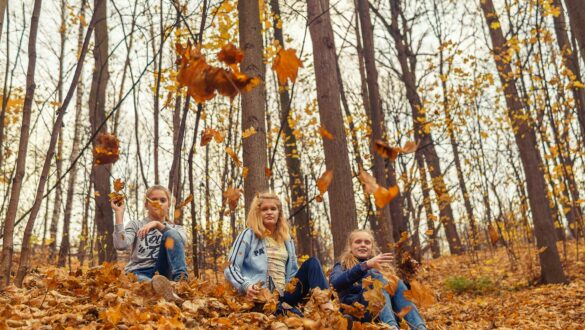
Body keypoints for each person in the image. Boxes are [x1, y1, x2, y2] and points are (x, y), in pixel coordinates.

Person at [224, 191, 331, 315]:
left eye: (273, 209)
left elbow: (292, 273)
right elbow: (230, 267)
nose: (269, 212)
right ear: (258, 213)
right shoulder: (248, 235)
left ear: (278, 213)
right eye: (264, 209)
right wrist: (246, 285)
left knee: (313, 263)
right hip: (263, 297)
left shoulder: (286, 239)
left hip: (286, 293)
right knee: (298, 320)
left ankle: (329, 311)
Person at [329, 229, 427, 330]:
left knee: (396, 281)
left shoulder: (381, 268)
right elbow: (334, 284)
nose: (363, 244)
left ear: (371, 247)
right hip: (359, 312)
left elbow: (396, 294)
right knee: (378, 280)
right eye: (358, 242)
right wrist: (365, 266)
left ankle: (420, 327)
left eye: (367, 242)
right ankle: (391, 327)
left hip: (384, 312)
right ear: (350, 246)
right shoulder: (342, 265)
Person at [111, 185, 187, 303]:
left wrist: (158, 225)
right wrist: (119, 214)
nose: (159, 203)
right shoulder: (136, 225)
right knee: (149, 283)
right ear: (146, 205)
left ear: (168, 205)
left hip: (164, 273)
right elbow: (120, 245)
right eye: (154, 200)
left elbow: (180, 243)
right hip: (139, 271)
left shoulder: (176, 229)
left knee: (171, 235)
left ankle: (180, 284)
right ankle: (167, 292)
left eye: (163, 200)